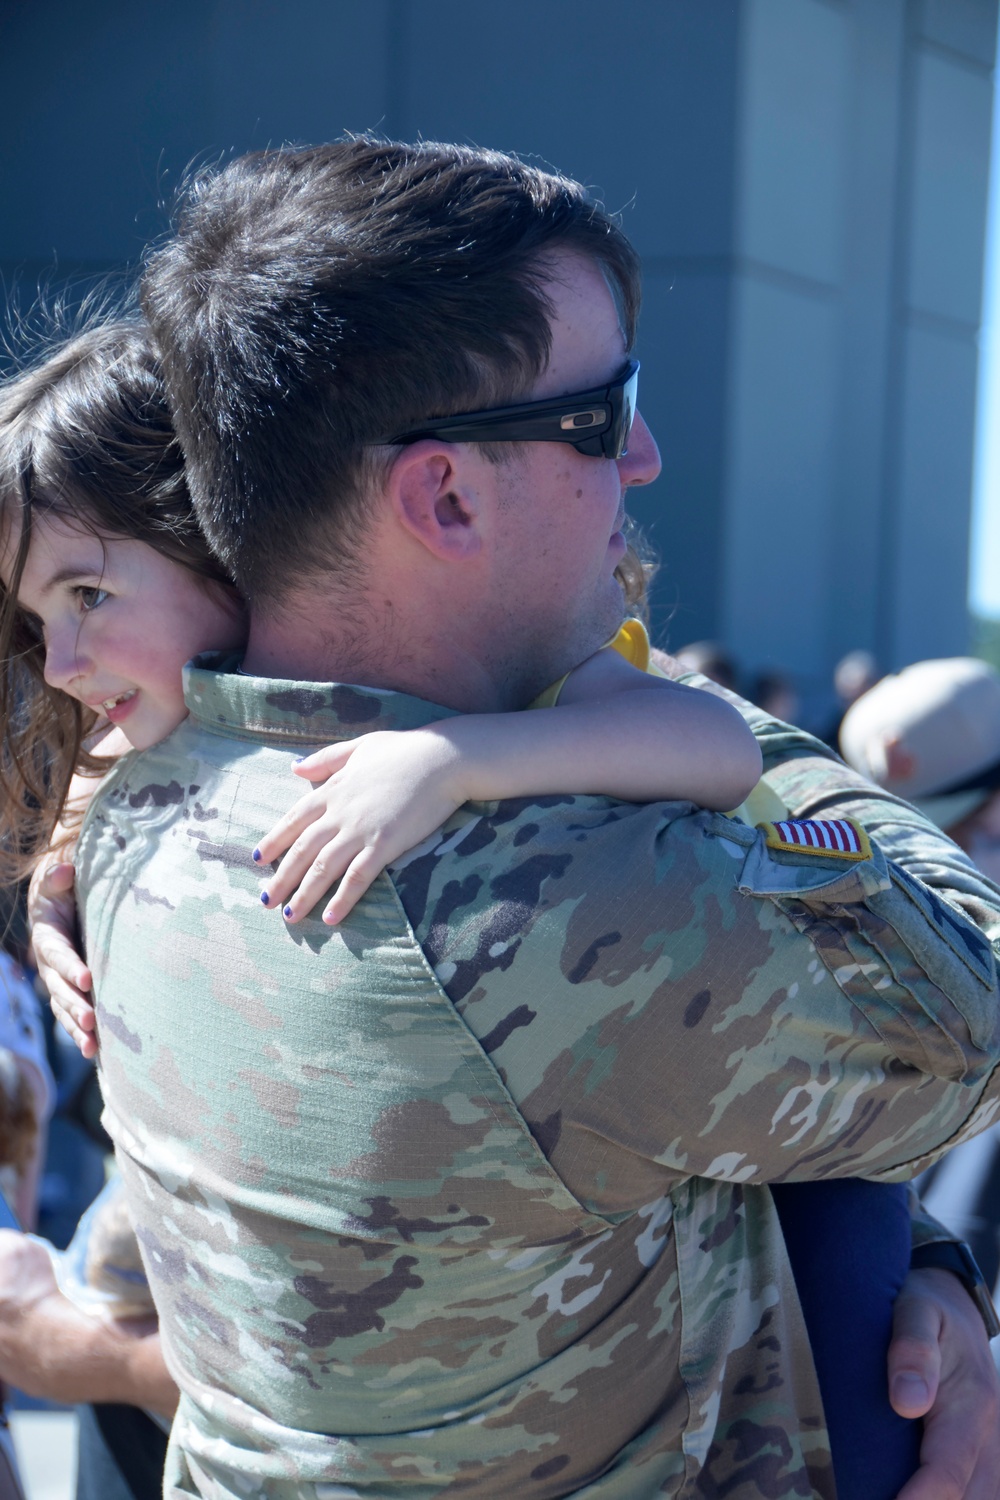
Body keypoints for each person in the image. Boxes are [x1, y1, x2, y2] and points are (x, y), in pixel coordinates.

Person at [18, 140, 1000, 1497]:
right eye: (603, 416)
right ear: (445, 494)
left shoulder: (141, 813)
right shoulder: (564, 892)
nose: (645, 459)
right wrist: (630, 697)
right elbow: (975, 1005)